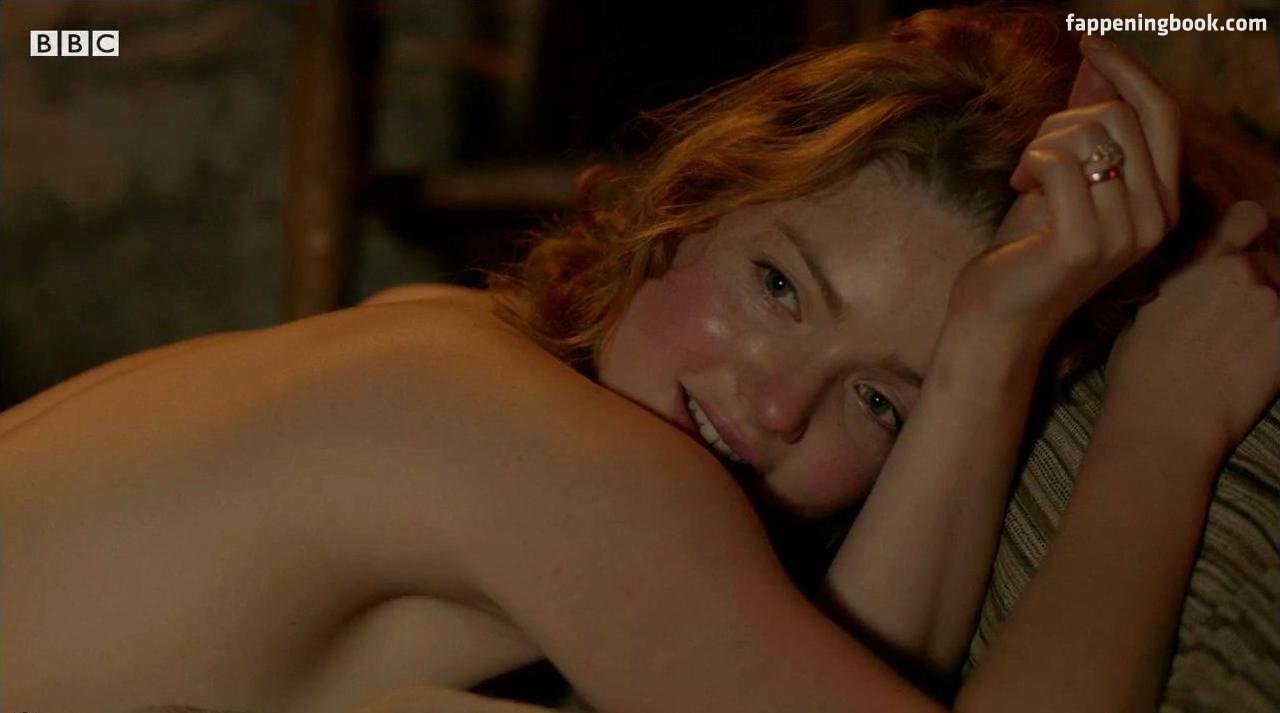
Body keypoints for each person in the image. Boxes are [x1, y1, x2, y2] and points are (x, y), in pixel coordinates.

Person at [0, 5, 1275, 713]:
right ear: (686, 206)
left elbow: (854, 665)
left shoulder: (461, 349)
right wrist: (1159, 430)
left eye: (879, 403)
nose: (774, 400)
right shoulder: (535, 448)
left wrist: (989, 351)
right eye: (778, 286)